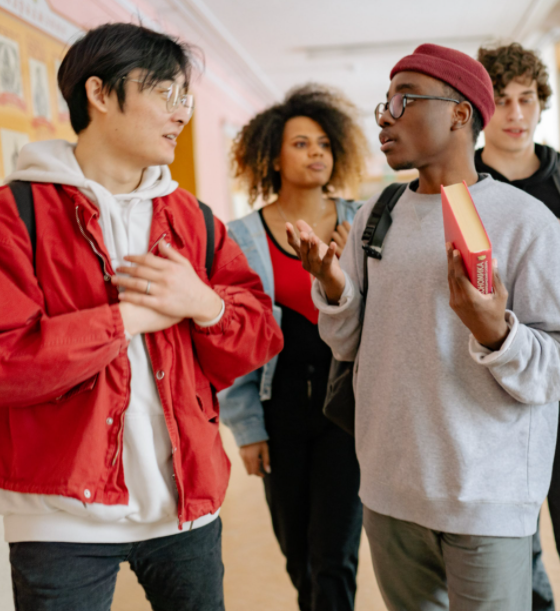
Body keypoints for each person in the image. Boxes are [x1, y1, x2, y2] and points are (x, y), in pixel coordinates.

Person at [0, 23, 283, 610]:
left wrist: (203, 304)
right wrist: (127, 318)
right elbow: (2, 366)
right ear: (100, 93)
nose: (180, 112)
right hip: (59, 519)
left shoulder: (195, 218)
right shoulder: (11, 216)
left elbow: (256, 337)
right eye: (164, 92)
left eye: (186, 97)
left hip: (185, 506)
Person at [288, 44, 560, 610]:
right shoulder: (376, 215)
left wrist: (496, 332)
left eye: (404, 100)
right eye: (384, 102)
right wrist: (332, 283)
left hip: (487, 498)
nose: (384, 116)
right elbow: (347, 341)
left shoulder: (526, 222)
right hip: (389, 491)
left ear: (460, 112)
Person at [475, 43, 560, 611]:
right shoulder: (462, 187)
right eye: (501, 100)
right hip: (491, 391)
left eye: (526, 99)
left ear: (540, 104)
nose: (514, 112)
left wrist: (559, 258)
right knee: (518, 539)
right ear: (480, 110)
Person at [220, 84, 368, 611]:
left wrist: (355, 265)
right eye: (301, 144)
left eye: (324, 144)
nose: (316, 154)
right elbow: (233, 340)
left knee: (334, 554)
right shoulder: (242, 236)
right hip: (276, 406)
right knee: (297, 553)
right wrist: (247, 429)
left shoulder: (365, 220)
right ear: (273, 157)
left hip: (346, 409)